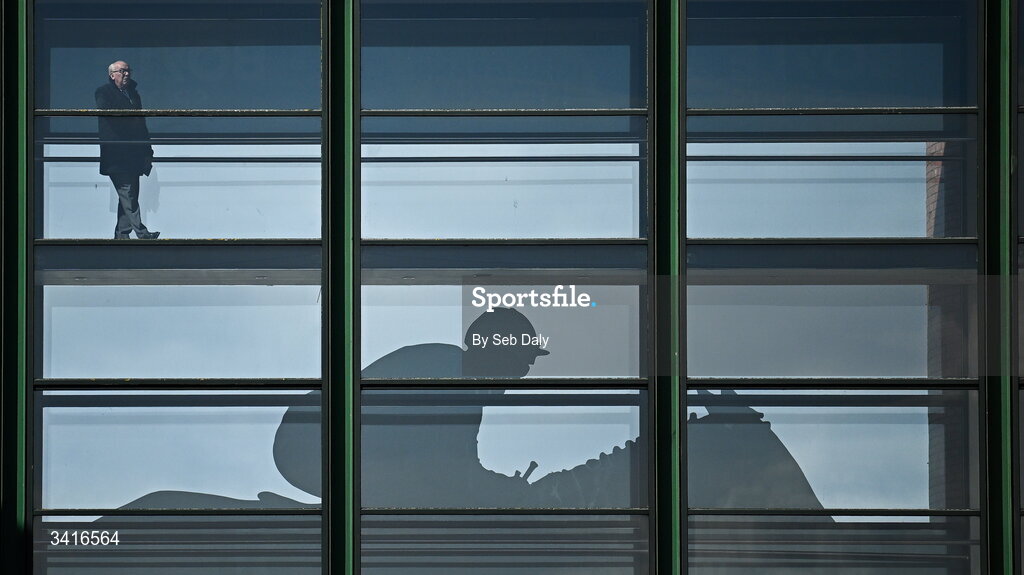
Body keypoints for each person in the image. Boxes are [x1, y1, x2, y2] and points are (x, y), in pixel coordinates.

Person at [95, 61, 160, 239]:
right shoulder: (104, 92)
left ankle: (121, 235)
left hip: (134, 154)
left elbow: (141, 125)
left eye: (128, 71)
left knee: (129, 195)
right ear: (112, 75)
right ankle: (142, 232)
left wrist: (148, 151)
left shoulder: (134, 94)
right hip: (117, 154)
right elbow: (113, 117)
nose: (126, 74)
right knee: (128, 193)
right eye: (122, 71)